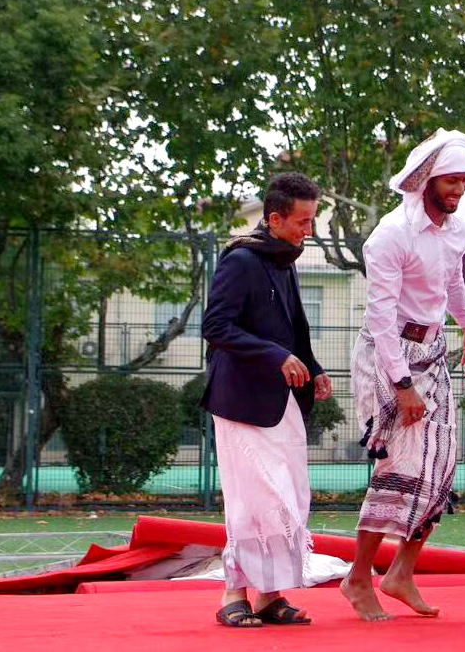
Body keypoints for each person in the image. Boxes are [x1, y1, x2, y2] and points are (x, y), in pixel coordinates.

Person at [342, 129, 465, 621]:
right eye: (451, 181)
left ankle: (401, 573)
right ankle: (359, 577)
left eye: (464, 180)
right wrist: (402, 386)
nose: (459, 189)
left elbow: (453, 280)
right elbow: (381, 320)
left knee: (442, 464)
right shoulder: (390, 235)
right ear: (426, 180)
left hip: (434, 351)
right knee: (398, 465)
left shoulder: (455, 230)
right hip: (388, 357)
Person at [201, 172, 334, 628]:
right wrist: (276, 356)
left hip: (281, 401)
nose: (308, 230)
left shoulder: (283, 259)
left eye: (311, 220)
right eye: (302, 221)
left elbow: (293, 327)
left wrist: (312, 366)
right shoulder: (242, 260)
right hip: (242, 401)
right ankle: (232, 596)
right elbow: (216, 327)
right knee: (252, 500)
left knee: (285, 499)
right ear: (274, 219)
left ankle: (269, 597)